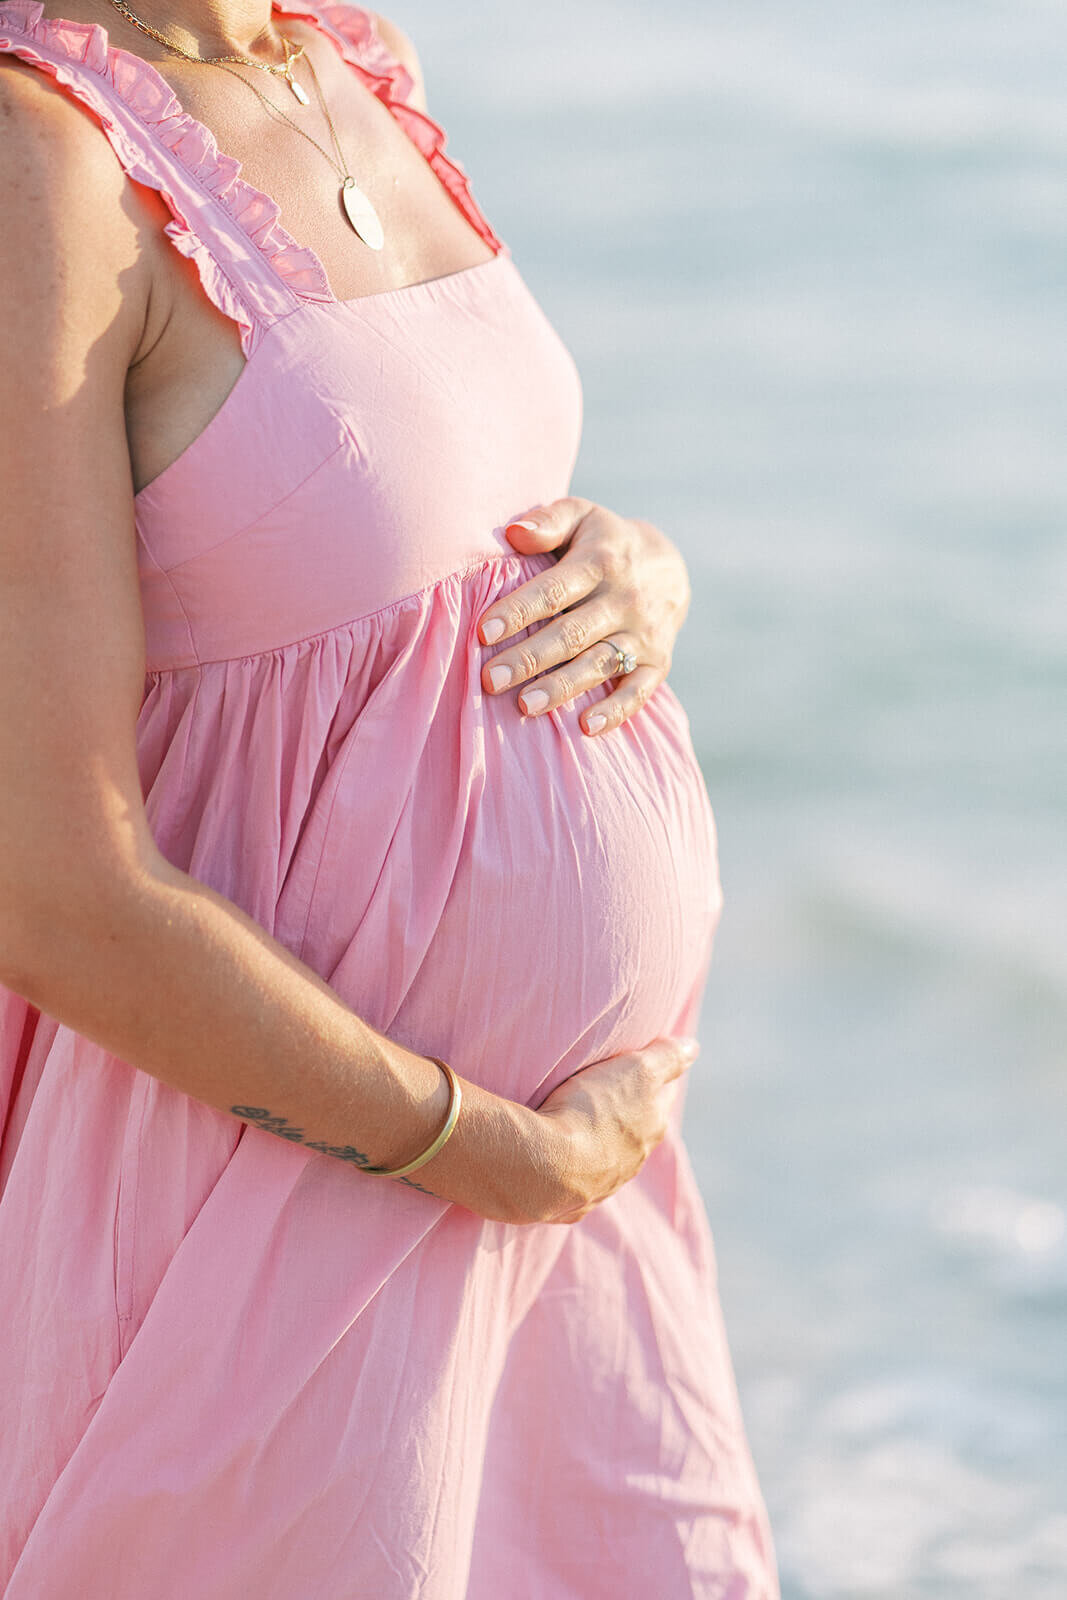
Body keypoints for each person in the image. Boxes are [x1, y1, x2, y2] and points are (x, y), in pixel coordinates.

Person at [0, 0, 779, 1593]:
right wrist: (472, 1145)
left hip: (566, 1207)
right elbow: (44, 881)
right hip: (282, 1193)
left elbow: (396, 531)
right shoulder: (42, 167)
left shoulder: (350, 56)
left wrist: (640, 566)